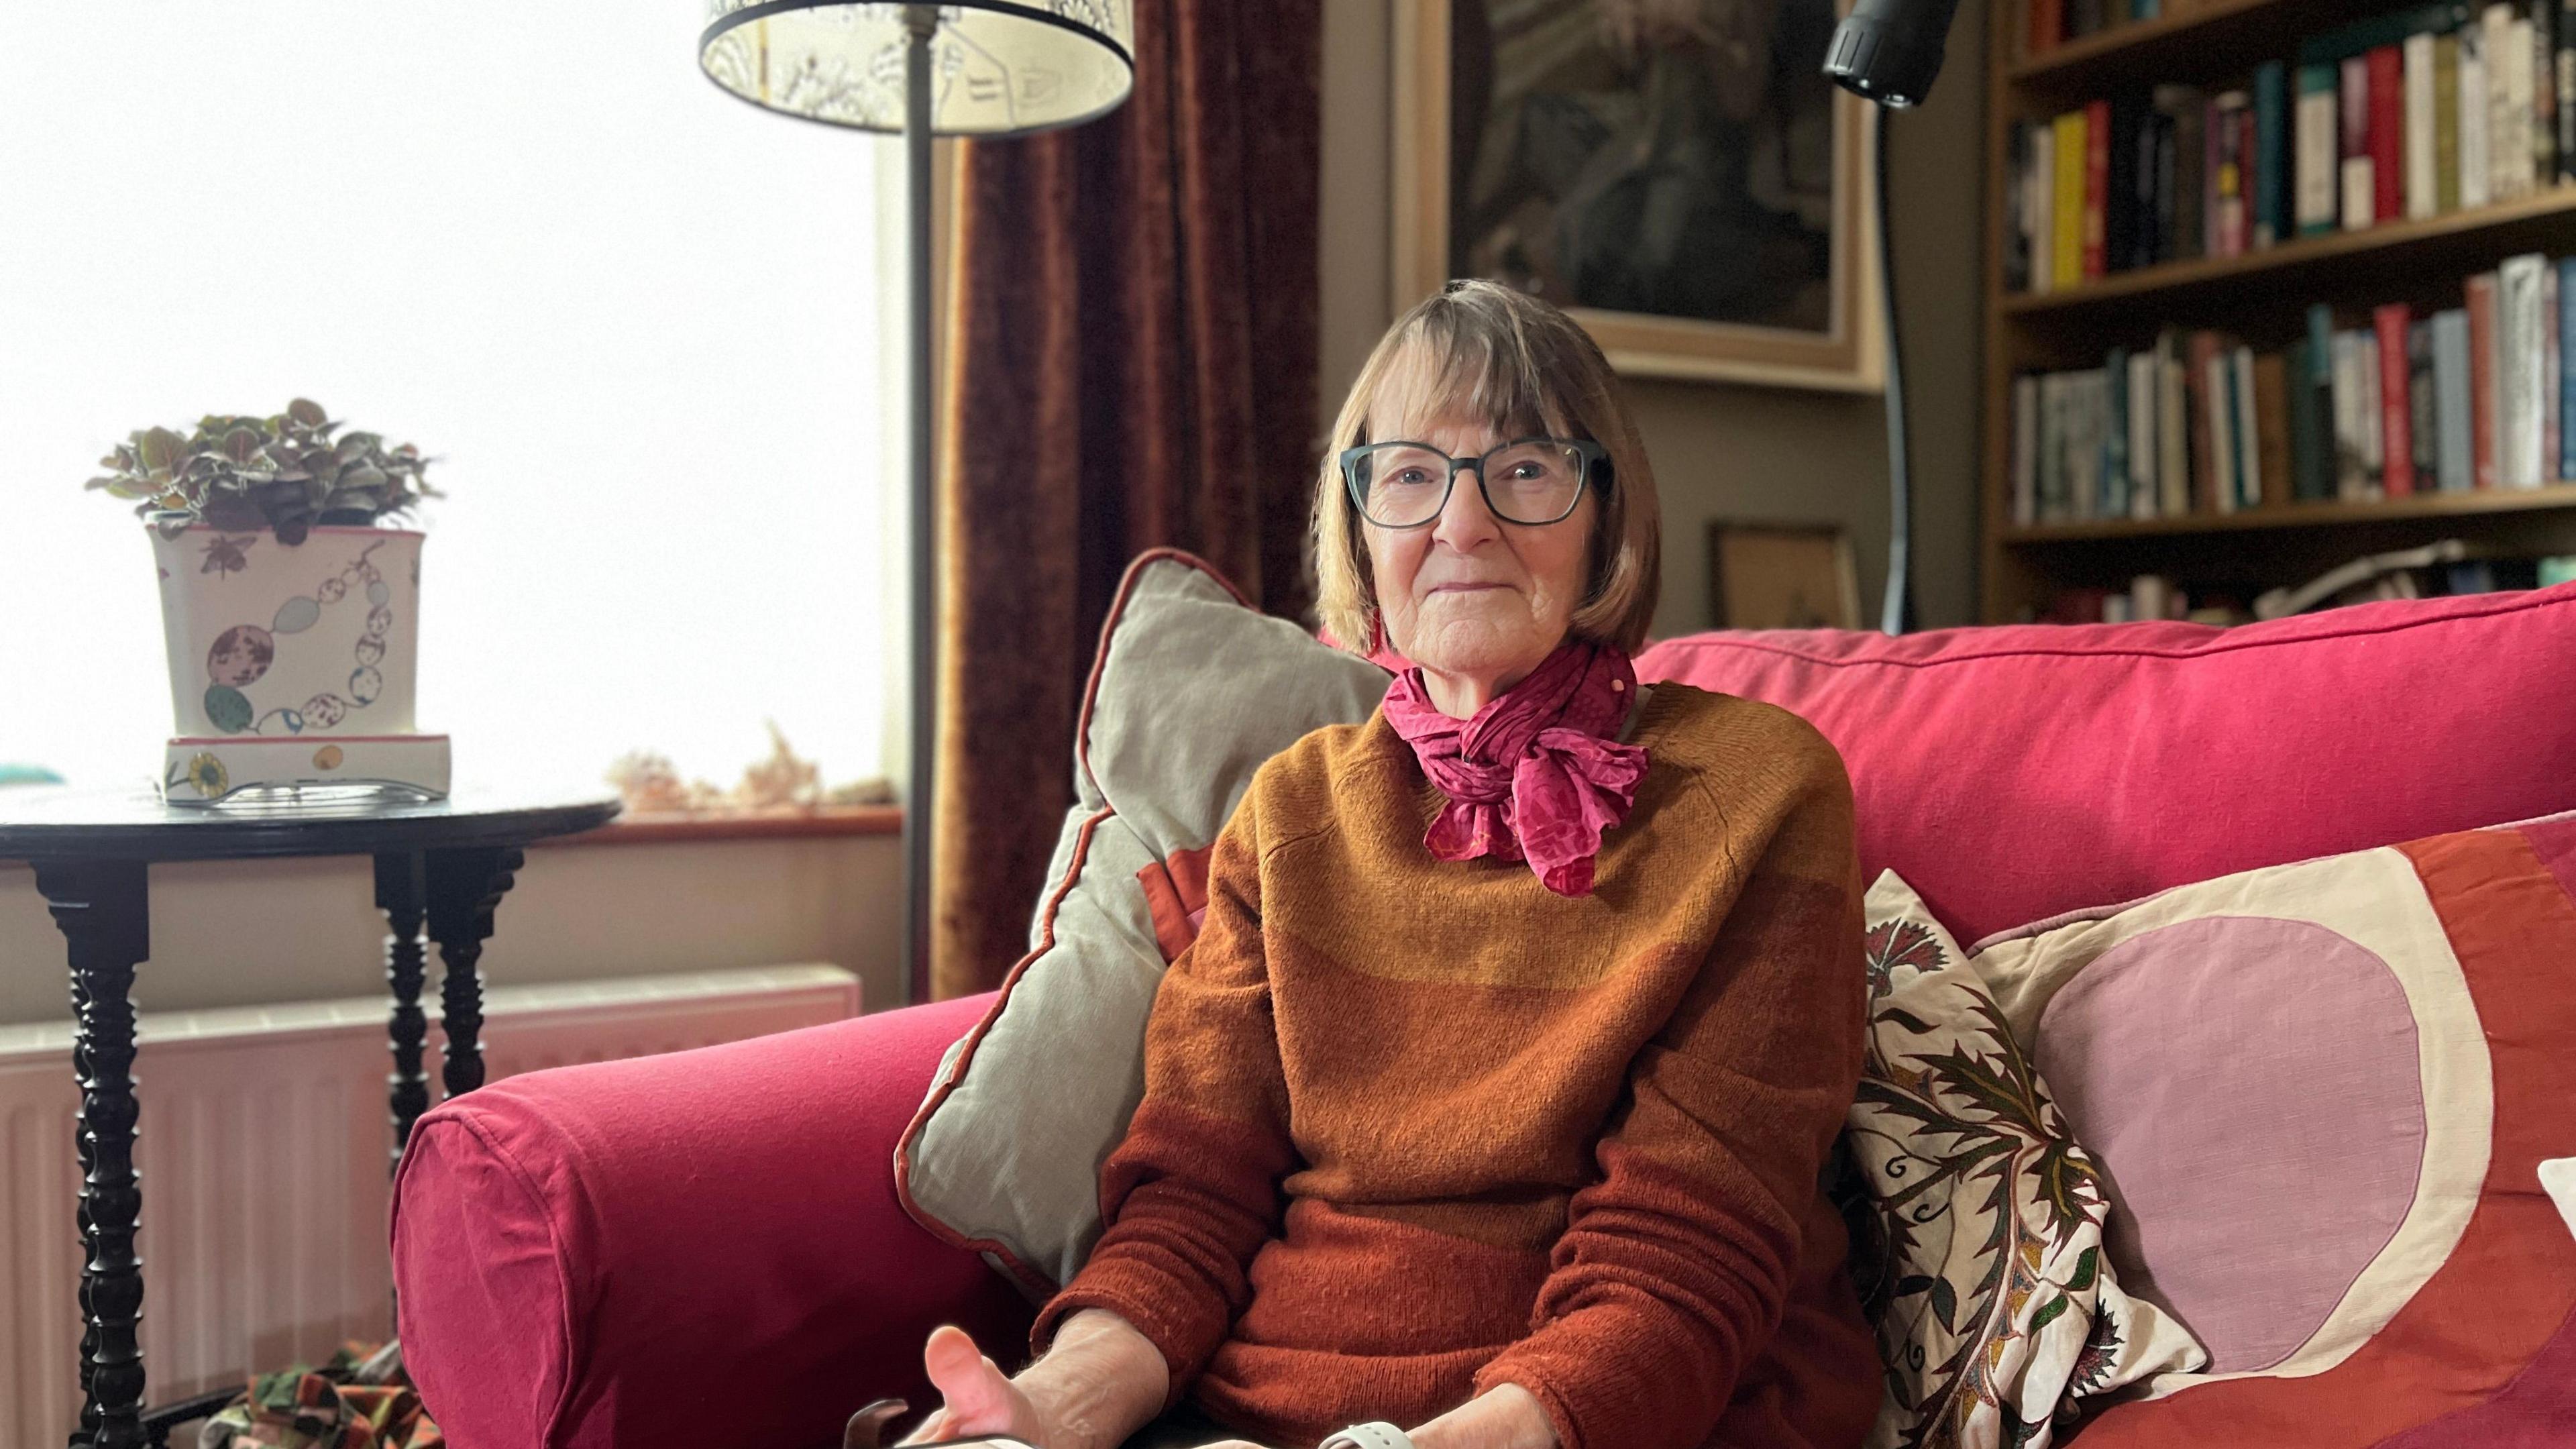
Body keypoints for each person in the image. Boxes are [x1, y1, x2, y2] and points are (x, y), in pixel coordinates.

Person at [900, 280, 1878, 1449]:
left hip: (1591, 1421)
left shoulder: (1761, 789)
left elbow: (1690, 1246)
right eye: (1410, 475)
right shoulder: (1295, 807)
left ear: (1606, 518)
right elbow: (1194, 1197)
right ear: (1361, 526)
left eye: (1524, 470)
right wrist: (1050, 1407)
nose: (1461, 525)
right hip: (1247, 1418)